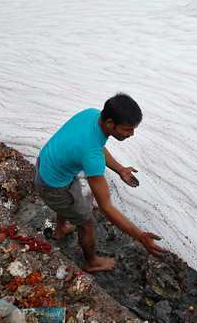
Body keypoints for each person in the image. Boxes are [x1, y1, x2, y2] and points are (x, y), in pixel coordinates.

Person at [34, 93, 165, 272]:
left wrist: (120, 169)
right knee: (87, 223)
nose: (132, 134)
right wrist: (140, 236)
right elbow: (106, 207)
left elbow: (96, 145)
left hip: (46, 162)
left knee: (71, 197)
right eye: (127, 129)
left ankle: (60, 229)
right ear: (111, 123)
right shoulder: (91, 156)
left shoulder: (92, 114)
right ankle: (91, 262)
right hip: (52, 186)